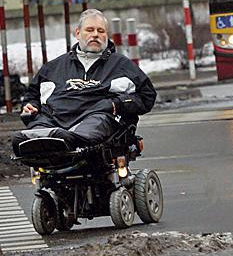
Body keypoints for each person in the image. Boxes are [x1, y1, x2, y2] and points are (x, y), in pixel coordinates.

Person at [12, 9, 156, 156]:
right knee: (25, 137)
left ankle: (66, 139)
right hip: (55, 119)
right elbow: (32, 96)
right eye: (90, 30)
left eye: (101, 31)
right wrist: (31, 107)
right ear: (78, 33)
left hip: (97, 117)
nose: (95, 34)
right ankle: (51, 138)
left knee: (91, 124)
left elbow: (147, 96)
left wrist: (117, 104)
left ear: (106, 35)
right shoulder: (53, 67)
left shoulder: (121, 65)